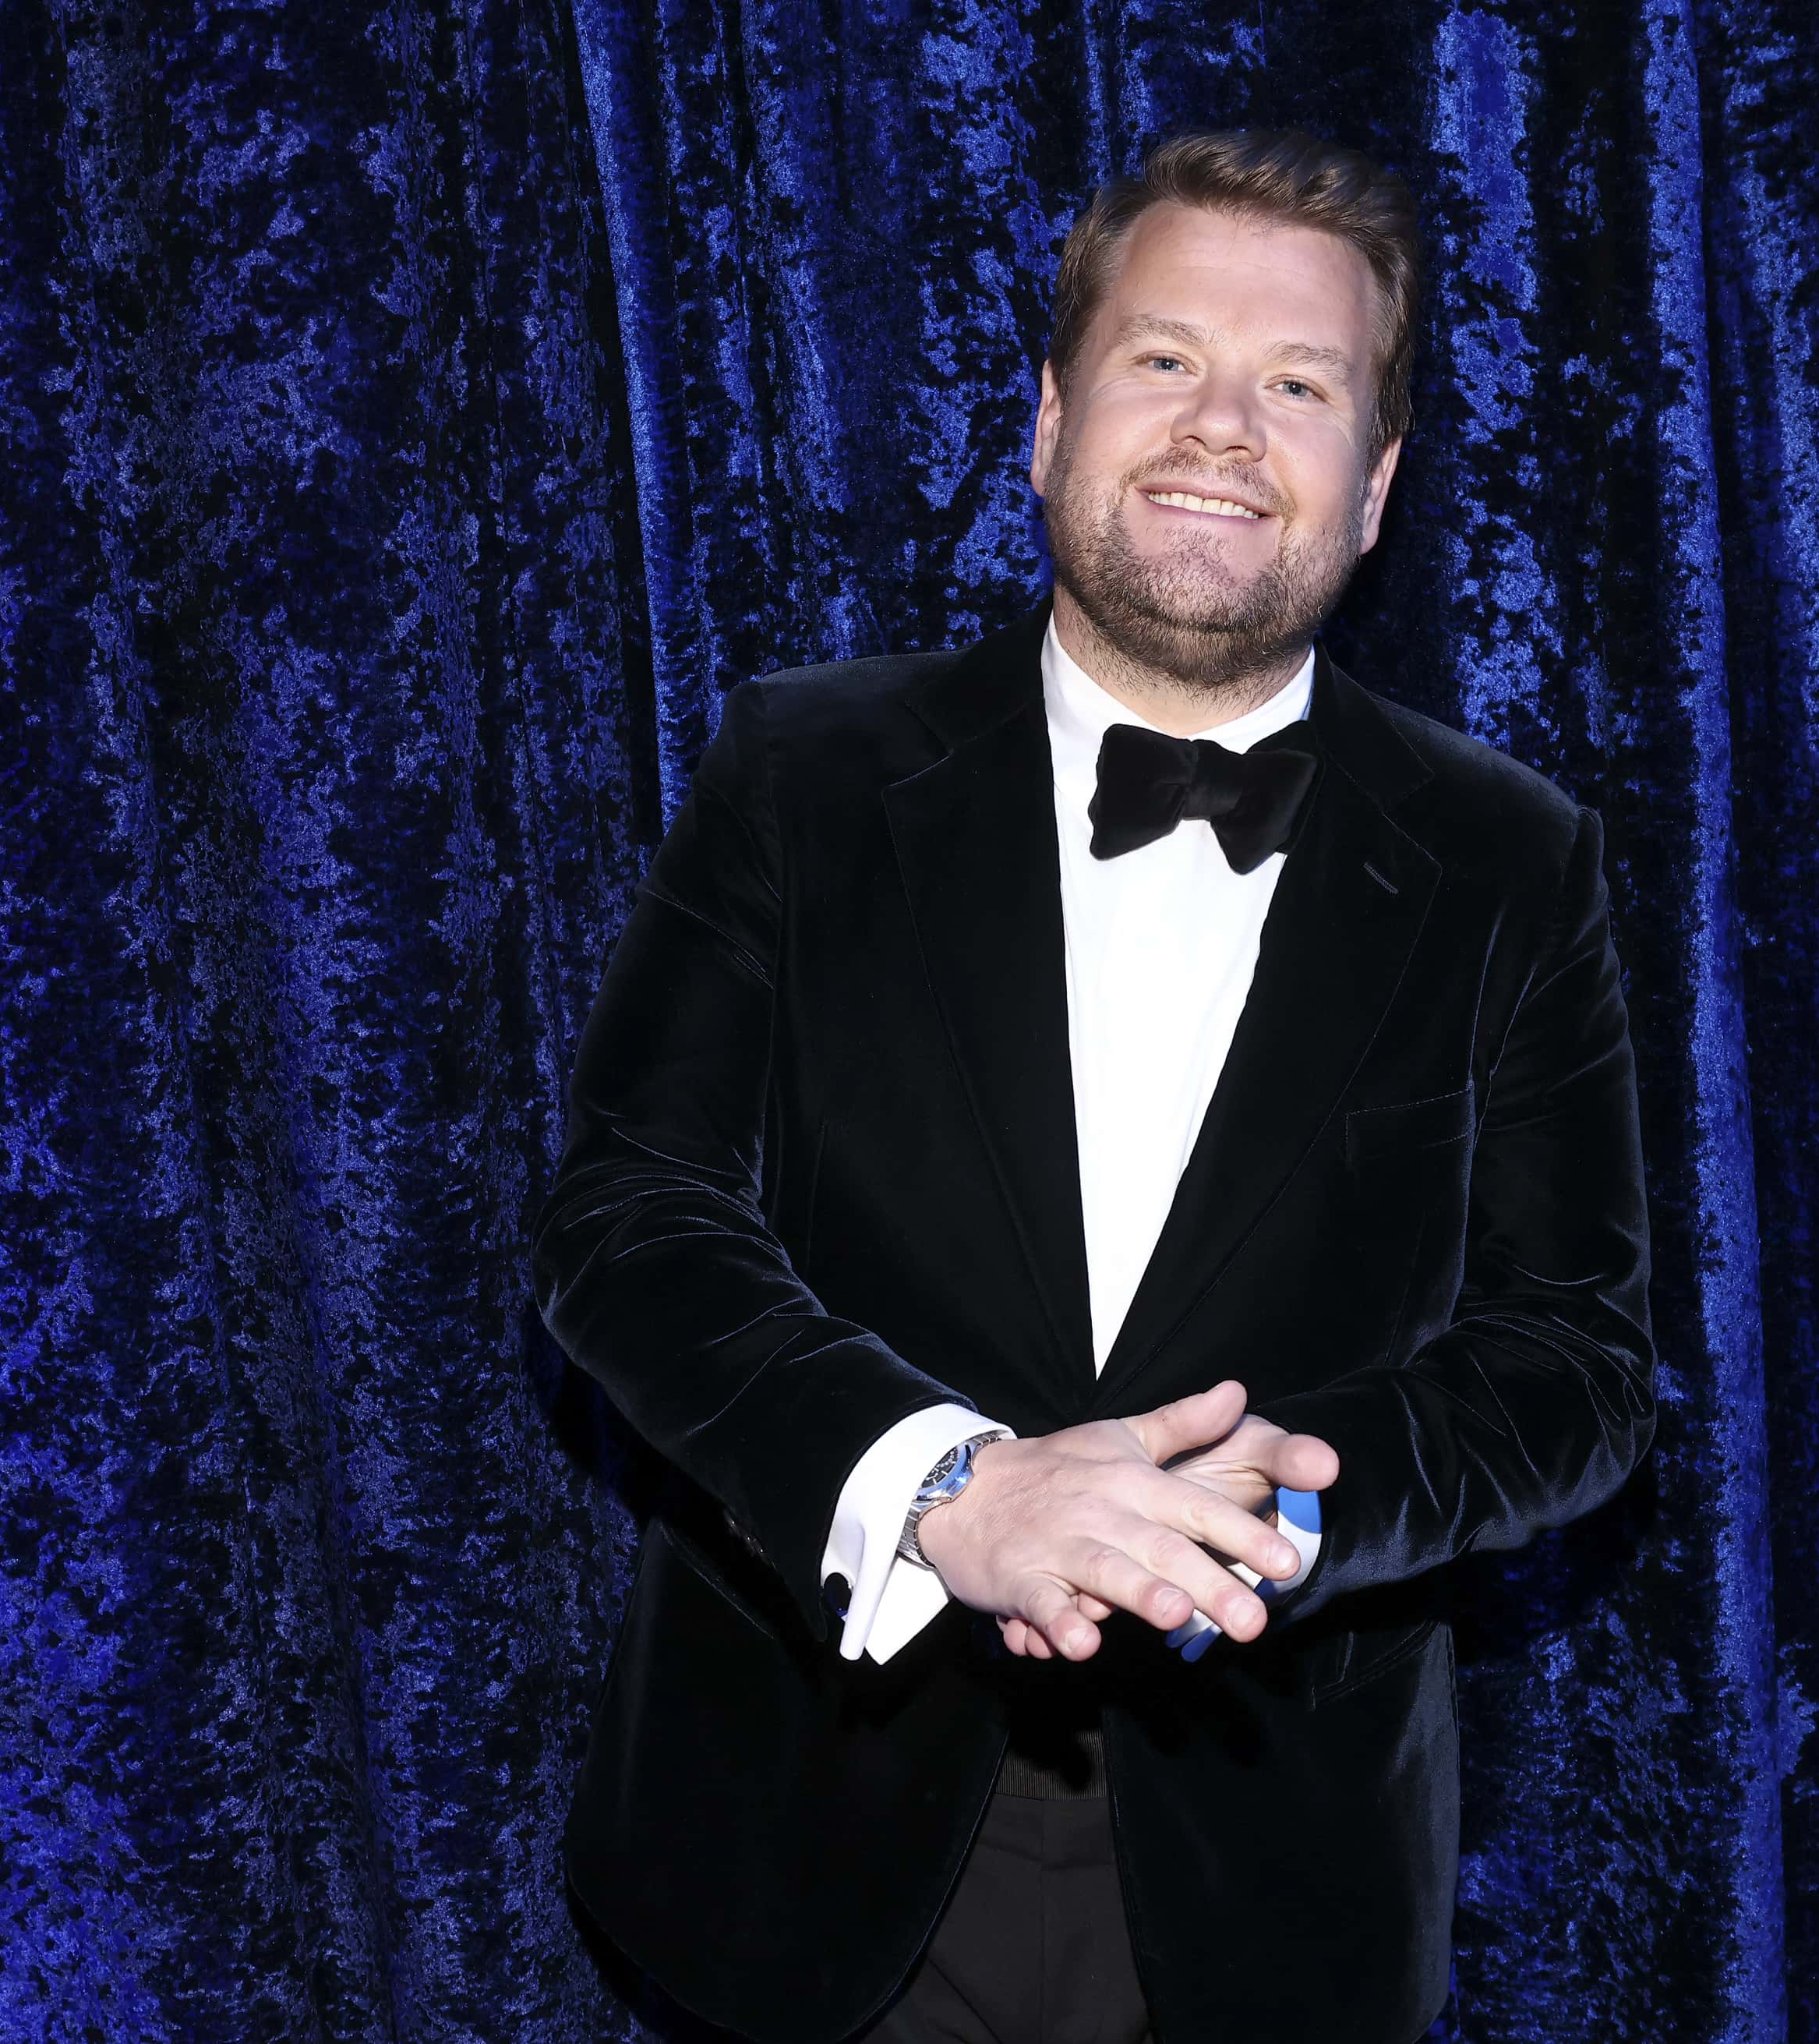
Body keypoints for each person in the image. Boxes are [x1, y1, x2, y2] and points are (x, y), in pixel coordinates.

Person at [533, 126, 1655, 2044]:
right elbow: (625, 1222)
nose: (1225, 426)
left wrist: (1269, 1521)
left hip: (1267, 1873)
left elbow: (1569, 1361)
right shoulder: (799, 775)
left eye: (1297, 386)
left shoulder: (1508, 856)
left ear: (1373, 486)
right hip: (804, 1835)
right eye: (1164, 361)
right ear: (1047, 420)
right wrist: (944, 1487)